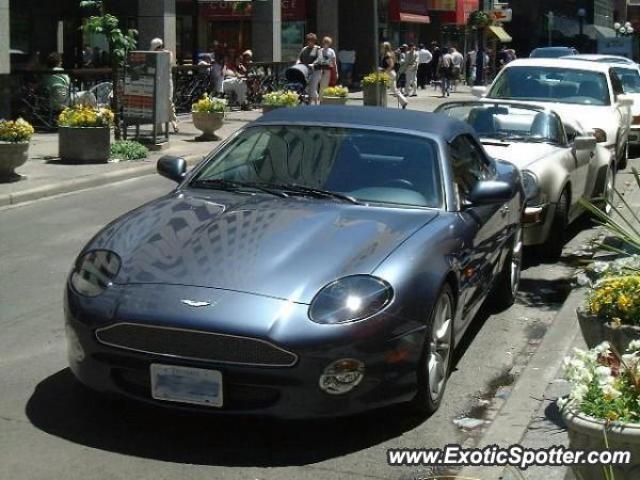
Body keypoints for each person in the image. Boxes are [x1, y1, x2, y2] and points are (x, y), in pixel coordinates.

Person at [151, 37, 179, 133]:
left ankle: (174, 122)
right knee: (157, 105)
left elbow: (166, 64)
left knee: (168, 102)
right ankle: (158, 129)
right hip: (157, 83)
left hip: (166, 83)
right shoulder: (153, 55)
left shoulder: (168, 54)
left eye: (156, 48)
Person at [380, 42, 407, 109]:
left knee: (387, 88)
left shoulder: (387, 55)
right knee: (392, 89)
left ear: (385, 48)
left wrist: (384, 71)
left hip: (389, 74)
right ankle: (403, 102)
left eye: (382, 47)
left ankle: (403, 102)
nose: (381, 48)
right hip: (391, 73)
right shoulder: (389, 54)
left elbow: (391, 65)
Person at [312, 36, 338, 103]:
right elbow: (316, 60)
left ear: (329, 44)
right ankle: (319, 100)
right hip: (319, 70)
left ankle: (324, 101)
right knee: (319, 86)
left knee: (325, 86)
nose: (326, 44)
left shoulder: (331, 51)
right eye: (325, 42)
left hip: (328, 70)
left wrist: (336, 72)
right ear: (323, 43)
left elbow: (334, 62)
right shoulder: (319, 50)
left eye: (327, 43)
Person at [297, 33, 321, 104]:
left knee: (313, 87)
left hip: (316, 71)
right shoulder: (304, 49)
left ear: (314, 41)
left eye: (311, 41)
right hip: (306, 70)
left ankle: (315, 103)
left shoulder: (318, 49)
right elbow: (299, 58)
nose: (310, 42)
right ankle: (312, 102)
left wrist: (313, 64)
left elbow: (320, 59)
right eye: (308, 41)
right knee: (308, 88)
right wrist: (297, 62)